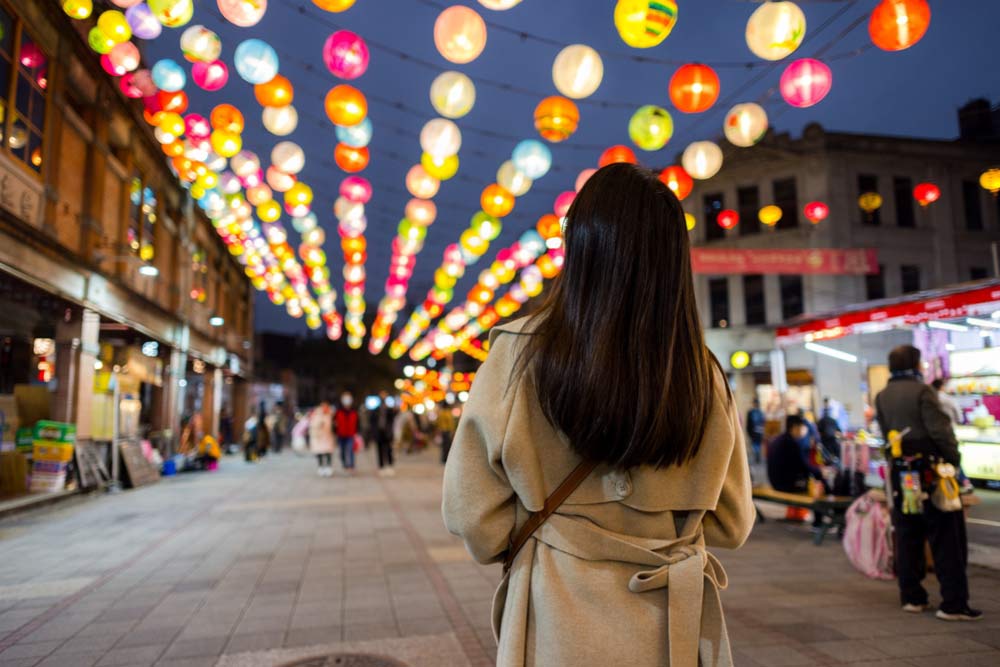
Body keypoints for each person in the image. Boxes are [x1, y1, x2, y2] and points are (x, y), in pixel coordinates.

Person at [442, 164, 754, 667]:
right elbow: (732, 524)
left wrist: (556, 531)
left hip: (556, 621)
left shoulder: (518, 355)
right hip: (672, 628)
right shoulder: (703, 374)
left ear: (580, 249)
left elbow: (471, 514)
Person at [876, 345, 980, 621]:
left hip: (901, 471)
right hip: (931, 471)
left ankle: (912, 596)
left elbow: (885, 434)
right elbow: (940, 432)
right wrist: (954, 460)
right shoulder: (923, 392)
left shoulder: (883, 395)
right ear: (917, 364)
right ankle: (953, 603)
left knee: (908, 531)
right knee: (947, 536)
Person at [767, 415, 825, 496]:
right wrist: (820, 472)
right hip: (785, 485)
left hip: (775, 482)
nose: (805, 431)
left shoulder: (779, 439)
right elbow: (803, 466)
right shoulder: (790, 443)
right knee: (818, 485)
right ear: (795, 427)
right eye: (803, 427)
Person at [370, 391, 396, 476]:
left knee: (388, 450)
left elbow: (392, 422)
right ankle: (381, 466)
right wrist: (374, 433)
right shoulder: (375, 410)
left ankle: (389, 466)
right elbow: (372, 423)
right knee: (380, 450)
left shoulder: (390, 410)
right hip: (379, 433)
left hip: (387, 433)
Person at [309, 401, 335, 476]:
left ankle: (328, 467)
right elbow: (312, 425)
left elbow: (332, 427)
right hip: (319, 438)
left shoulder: (330, 415)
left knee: (328, 453)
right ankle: (321, 467)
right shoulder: (316, 415)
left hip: (327, 437)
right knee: (319, 453)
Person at [335, 392, 359, 473]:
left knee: (350, 450)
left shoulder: (354, 411)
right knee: (342, 451)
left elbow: (357, 423)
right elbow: (335, 423)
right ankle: (345, 464)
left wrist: (357, 432)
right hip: (341, 434)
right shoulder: (338, 411)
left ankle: (351, 465)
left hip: (350, 434)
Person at [745, 398, 765, 464]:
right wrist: (749, 432)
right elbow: (748, 424)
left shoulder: (760, 412)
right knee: (755, 445)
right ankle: (757, 456)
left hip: (759, 432)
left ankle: (757, 456)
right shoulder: (752, 412)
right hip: (754, 432)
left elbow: (763, 422)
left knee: (757, 445)